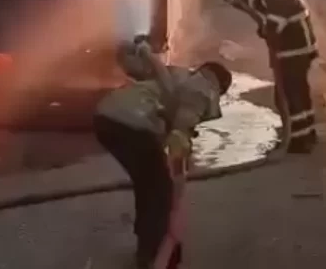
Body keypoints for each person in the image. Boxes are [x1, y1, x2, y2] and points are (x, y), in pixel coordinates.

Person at [93, 36, 232, 269]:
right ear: (219, 84)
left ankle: (148, 246)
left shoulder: (174, 77)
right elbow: (186, 115)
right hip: (132, 124)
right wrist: (180, 135)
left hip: (105, 118)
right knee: (159, 189)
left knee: (148, 183)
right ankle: (156, 251)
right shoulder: (203, 85)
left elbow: (137, 68)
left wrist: (137, 50)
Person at [239, 0, 319, 153]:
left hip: (293, 53)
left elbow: (272, 30)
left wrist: (261, 28)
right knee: (300, 91)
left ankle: (298, 141)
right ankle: (308, 132)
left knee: (289, 95)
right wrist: (240, 1)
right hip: (302, 51)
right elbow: (260, 3)